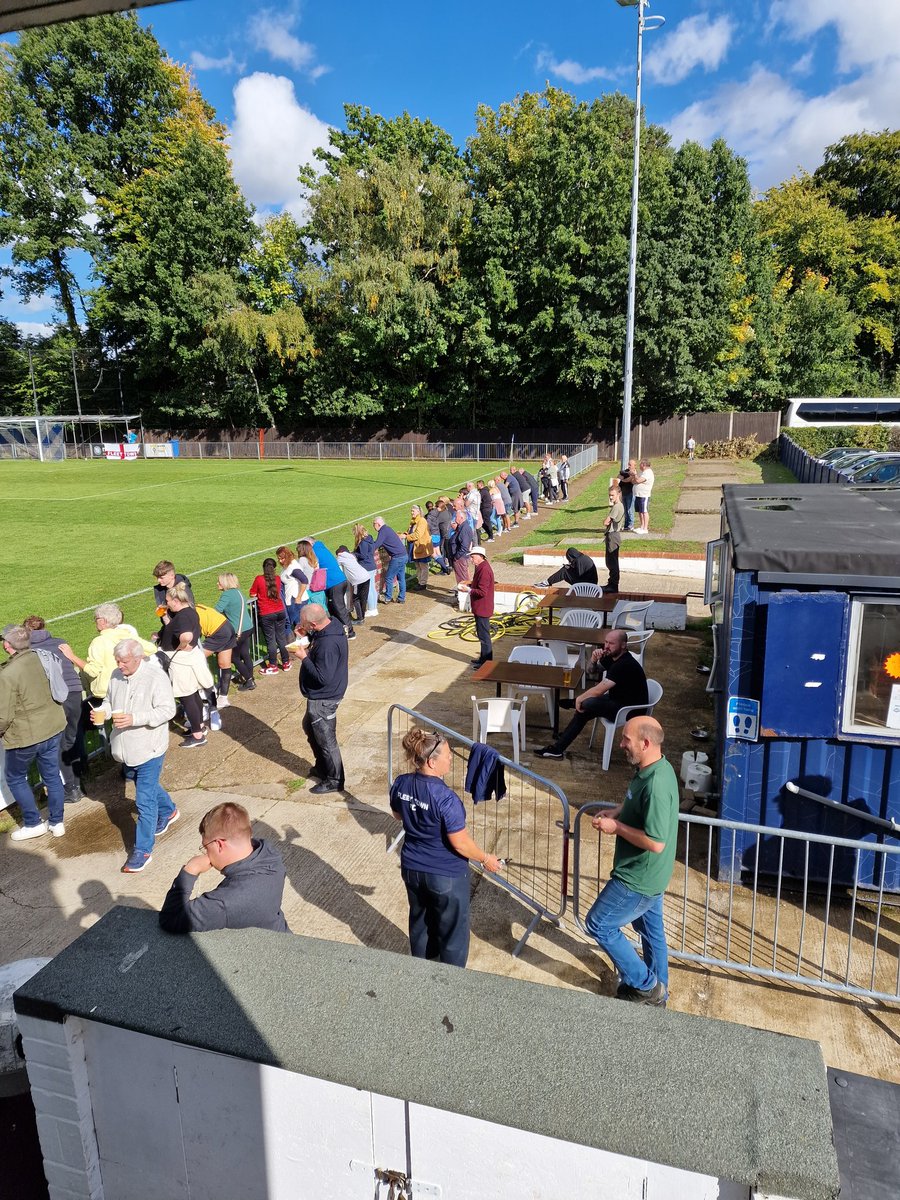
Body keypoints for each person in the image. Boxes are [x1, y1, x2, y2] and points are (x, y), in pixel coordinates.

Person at [584, 717, 678, 1006]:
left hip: (638, 878)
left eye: (626, 739)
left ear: (645, 743)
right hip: (653, 876)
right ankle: (660, 996)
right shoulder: (653, 767)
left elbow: (656, 843)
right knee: (651, 933)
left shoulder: (657, 784)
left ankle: (646, 985)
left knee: (598, 924)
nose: (621, 744)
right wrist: (618, 811)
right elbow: (635, 798)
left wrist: (617, 827)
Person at [390, 727, 502, 967]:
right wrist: (485, 858)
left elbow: (397, 814)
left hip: (412, 869)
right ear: (432, 762)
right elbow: (460, 843)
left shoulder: (401, 783)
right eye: (448, 755)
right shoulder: (446, 799)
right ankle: (451, 980)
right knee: (453, 935)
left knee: (421, 924)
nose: (451, 758)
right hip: (445, 875)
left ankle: (422, 969)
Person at [92, 639, 178, 872]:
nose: (120, 665)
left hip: (150, 748)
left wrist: (134, 719)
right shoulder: (116, 675)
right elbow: (109, 702)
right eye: (117, 661)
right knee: (142, 783)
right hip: (125, 749)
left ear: (138, 658)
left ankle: (142, 851)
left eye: (124, 661)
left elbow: (168, 710)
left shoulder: (155, 677)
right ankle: (169, 810)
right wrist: (103, 712)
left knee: (144, 800)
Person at [159, 801, 289, 934]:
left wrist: (190, 870)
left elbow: (170, 920)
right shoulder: (270, 854)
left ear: (219, 844)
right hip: (282, 934)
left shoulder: (226, 902)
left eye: (206, 847)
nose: (205, 853)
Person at [535, 629, 648, 759]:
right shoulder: (612, 656)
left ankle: (573, 705)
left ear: (623, 645)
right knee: (584, 710)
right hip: (617, 699)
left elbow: (599, 690)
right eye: (606, 642)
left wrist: (579, 699)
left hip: (630, 710)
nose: (606, 646)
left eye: (611, 643)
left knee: (588, 703)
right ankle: (558, 748)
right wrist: (593, 660)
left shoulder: (624, 664)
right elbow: (591, 671)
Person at [0, 624, 67, 841]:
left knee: (15, 777)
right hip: (53, 727)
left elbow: (4, 715)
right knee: (51, 775)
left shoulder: (8, 673)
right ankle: (57, 822)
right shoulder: (43, 657)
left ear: (7, 645)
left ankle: (33, 823)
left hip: (27, 736)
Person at [23, 615, 86, 803]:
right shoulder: (60, 642)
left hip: (57, 697)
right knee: (71, 740)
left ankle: (71, 789)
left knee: (58, 745)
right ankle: (78, 785)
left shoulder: (29, 651)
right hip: (75, 693)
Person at [290, 603, 348, 795]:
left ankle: (335, 779)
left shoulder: (328, 644)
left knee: (326, 739)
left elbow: (323, 678)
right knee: (310, 727)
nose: (301, 624)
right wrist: (304, 637)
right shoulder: (330, 626)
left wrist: (304, 657)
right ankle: (323, 767)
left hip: (325, 698)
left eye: (304, 623)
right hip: (321, 696)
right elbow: (317, 642)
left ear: (314, 624)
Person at [159, 583, 216, 747]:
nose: (167, 604)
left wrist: (180, 646)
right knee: (193, 694)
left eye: (168, 601)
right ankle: (200, 727)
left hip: (181, 661)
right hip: (188, 659)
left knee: (187, 697)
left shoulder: (183, 616)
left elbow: (186, 636)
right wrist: (166, 620)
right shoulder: (189, 611)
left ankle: (198, 736)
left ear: (176, 601)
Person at [81, 602, 156, 699]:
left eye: (96, 619)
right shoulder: (127, 635)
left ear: (103, 621)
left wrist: (72, 656)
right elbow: (152, 649)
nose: (95, 622)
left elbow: (93, 671)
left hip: (108, 692)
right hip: (129, 687)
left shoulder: (99, 641)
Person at [250, 558, 291, 675]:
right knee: (281, 638)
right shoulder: (277, 578)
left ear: (264, 567)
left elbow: (252, 593)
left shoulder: (259, 579)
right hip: (280, 611)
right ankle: (286, 662)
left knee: (271, 640)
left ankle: (273, 665)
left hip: (267, 613)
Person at [215, 573, 256, 691]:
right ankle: (250, 678)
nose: (217, 584)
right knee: (245, 654)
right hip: (248, 627)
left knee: (234, 657)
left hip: (238, 631)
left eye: (219, 582)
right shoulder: (238, 592)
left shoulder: (226, 595)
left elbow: (216, 611)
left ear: (225, 583)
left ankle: (249, 680)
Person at [194, 599, 237, 708]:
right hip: (227, 627)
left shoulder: (190, 615)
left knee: (195, 659)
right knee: (224, 664)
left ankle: (204, 694)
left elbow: (195, 635)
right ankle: (223, 697)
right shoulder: (198, 607)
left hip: (219, 632)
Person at [309, 538, 354, 639]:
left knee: (339, 608)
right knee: (335, 608)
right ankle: (341, 630)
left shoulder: (315, 552)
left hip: (334, 583)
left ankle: (350, 632)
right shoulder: (322, 548)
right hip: (340, 580)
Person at [460, 546, 495, 667]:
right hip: (480, 607)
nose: (471, 560)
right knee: (482, 635)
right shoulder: (481, 567)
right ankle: (483, 659)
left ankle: (486, 662)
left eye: (473, 557)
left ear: (480, 556)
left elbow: (482, 592)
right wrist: (470, 586)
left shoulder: (484, 570)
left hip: (482, 608)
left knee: (484, 636)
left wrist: (469, 590)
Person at [373, 516, 408, 604]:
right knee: (401, 577)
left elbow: (377, 544)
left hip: (397, 557)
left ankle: (388, 597)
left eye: (374, 524)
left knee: (389, 577)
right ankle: (402, 597)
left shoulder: (382, 531)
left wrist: (367, 546)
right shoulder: (387, 529)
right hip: (404, 555)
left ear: (378, 524)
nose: (373, 526)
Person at [277, 545, 308, 638]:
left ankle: (299, 643)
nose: (280, 561)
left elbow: (304, 580)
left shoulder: (293, 568)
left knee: (293, 624)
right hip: (292, 599)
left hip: (295, 600)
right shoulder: (288, 566)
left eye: (282, 558)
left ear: (287, 556)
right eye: (278, 558)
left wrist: (299, 597)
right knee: (297, 624)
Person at [336, 544, 371, 622]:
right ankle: (362, 616)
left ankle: (360, 618)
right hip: (366, 576)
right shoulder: (351, 556)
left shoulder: (340, 558)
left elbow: (336, 564)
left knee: (356, 599)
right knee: (363, 598)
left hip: (358, 580)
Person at [152, 561, 194, 625]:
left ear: (172, 576)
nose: (158, 580)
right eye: (157, 577)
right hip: (169, 625)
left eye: (161, 577)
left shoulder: (183, 590)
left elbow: (191, 614)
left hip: (184, 625)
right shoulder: (160, 590)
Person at [403, 505, 433, 589]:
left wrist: (407, 537)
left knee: (423, 566)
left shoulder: (422, 521)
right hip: (415, 547)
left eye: (413, 511)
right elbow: (410, 531)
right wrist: (405, 533)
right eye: (411, 511)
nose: (411, 512)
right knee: (417, 566)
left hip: (421, 547)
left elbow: (418, 534)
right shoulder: (413, 520)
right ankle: (420, 582)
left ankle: (423, 583)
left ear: (418, 511)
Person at [353, 523, 380, 616]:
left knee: (368, 589)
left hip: (367, 567)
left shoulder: (363, 542)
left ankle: (372, 609)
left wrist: (354, 554)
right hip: (371, 566)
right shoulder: (369, 539)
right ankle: (374, 608)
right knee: (372, 588)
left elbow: (363, 555)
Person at [603, 484, 625, 594]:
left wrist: (607, 521)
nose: (611, 497)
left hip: (613, 535)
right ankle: (611, 584)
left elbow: (605, 522)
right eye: (609, 495)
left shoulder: (617, 506)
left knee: (612, 562)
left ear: (618, 494)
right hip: (614, 535)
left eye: (612, 495)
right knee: (611, 561)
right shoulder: (618, 506)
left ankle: (613, 585)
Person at [447, 509, 474, 592]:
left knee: (462, 579)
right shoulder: (461, 527)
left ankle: (464, 595)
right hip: (460, 557)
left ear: (461, 518)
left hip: (460, 558)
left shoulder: (464, 529)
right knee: (461, 578)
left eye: (456, 517)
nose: (455, 519)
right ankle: (462, 594)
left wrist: (456, 557)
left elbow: (464, 546)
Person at [634, 459, 655, 535]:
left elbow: (638, 480)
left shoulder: (648, 473)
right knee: (640, 511)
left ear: (644, 465)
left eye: (640, 464)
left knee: (644, 511)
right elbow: (634, 481)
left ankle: (645, 528)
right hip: (638, 494)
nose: (639, 466)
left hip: (644, 495)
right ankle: (642, 526)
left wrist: (635, 475)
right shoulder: (642, 472)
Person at [618, 459, 638, 532]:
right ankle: (626, 525)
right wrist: (623, 477)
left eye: (630, 465)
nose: (629, 466)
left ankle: (631, 525)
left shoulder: (635, 473)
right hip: (624, 493)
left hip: (630, 493)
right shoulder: (626, 471)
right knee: (625, 510)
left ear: (634, 466)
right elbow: (619, 474)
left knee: (630, 510)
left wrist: (623, 479)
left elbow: (629, 479)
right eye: (628, 464)